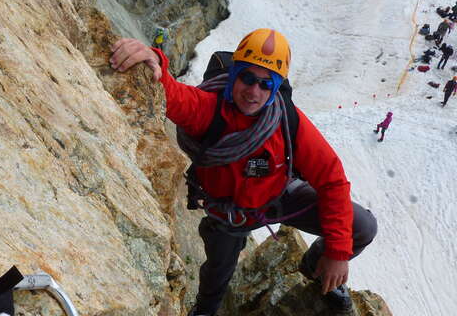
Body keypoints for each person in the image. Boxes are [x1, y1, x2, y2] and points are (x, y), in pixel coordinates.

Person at [110, 29, 378, 316]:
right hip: (229, 214)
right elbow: (173, 95)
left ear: (276, 88)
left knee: (362, 227)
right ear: (234, 74)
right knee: (216, 277)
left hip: (279, 197)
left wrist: (337, 253)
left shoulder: (288, 121)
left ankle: (314, 265)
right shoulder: (209, 110)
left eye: (266, 84)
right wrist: (154, 60)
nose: (253, 91)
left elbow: (332, 179)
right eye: (247, 78)